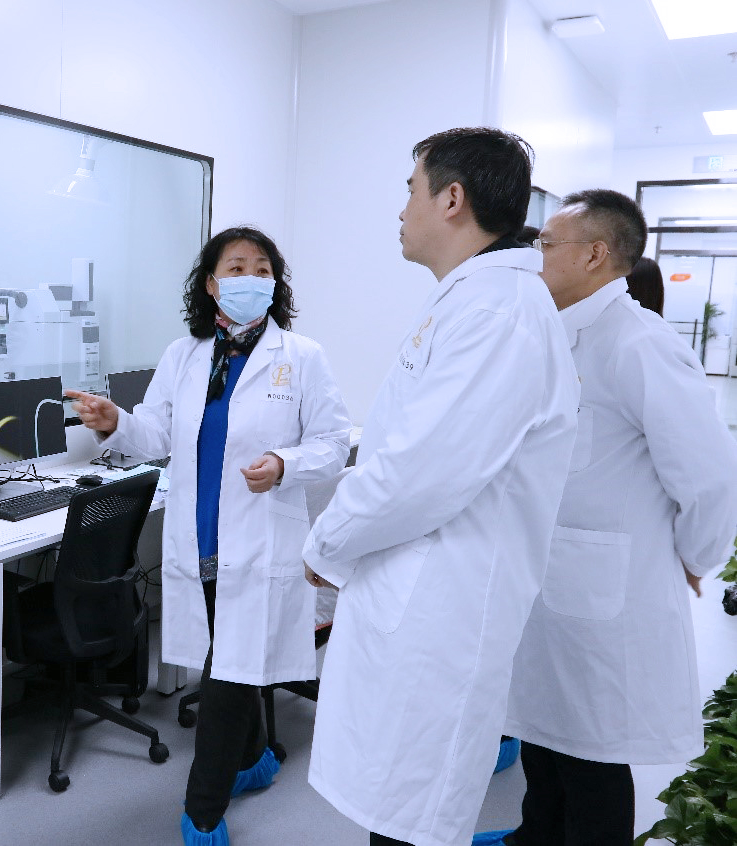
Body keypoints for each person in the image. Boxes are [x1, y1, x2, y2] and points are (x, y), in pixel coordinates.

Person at [301, 127, 579, 846]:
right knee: (396, 811)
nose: (402, 210)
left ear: (451, 199)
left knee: (412, 818)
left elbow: (416, 474)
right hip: (417, 598)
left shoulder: (495, 314)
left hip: (441, 613)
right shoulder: (472, 301)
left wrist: (325, 543)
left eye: (410, 190)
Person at [66, 226, 352, 846]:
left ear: (275, 284)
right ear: (212, 284)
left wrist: (284, 463)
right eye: (236, 267)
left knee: (229, 674)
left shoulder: (302, 356)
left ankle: (203, 811)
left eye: (261, 268)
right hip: (198, 543)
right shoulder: (185, 355)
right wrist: (116, 422)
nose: (250, 278)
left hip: (260, 542)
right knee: (230, 661)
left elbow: (334, 444)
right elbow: (156, 435)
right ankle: (253, 761)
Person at [492, 190, 737, 845]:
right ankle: (533, 837)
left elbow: (710, 478)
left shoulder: (639, 343)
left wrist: (692, 556)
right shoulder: (551, 334)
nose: (535, 256)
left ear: (595, 254)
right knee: (543, 738)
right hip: (543, 582)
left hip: (603, 595)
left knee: (591, 758)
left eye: (547, 244)